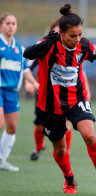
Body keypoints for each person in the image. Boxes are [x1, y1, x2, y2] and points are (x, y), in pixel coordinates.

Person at [23, 3, 96, 195]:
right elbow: (27, 53)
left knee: (89, 135)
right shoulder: (49, 44)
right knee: (60, 149)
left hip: (76, 98)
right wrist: (45, 41)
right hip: (50, 104)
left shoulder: (83, 44)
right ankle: (69, 179)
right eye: (72, 35)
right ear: (62, 33)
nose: (77, 39)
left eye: (80, 34)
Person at [25, 19, 91, 161]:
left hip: (66, 94)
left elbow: (79, 72)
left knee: (66, 124)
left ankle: (67, 151)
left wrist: (87, 90)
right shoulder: (45, 47)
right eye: (54, 32)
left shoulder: (73, 51)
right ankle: (38, 148)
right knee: (38, 124)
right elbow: (27, 67)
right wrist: (29, 82)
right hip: (45, 94)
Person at [0, 13, 39, 171]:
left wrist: (35, 83)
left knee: (11, 128)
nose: (10, 26)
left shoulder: (19, 49)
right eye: (7, 23)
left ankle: (1, 160)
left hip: (11, 93)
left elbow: (24, 70)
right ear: (1, 26)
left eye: (13, 23)